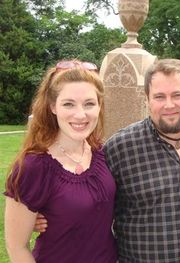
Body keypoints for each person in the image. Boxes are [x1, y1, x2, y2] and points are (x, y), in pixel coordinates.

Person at [103, 58, 180, 262]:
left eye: (177, 95)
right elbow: (90, 205)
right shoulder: (119, 148)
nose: (169, 105)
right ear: (147, 99)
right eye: (159, 96)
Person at [4, 60, 118, 262]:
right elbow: (17, 247)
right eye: (68, 104)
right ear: (52, 107)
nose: (80, 114)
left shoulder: (103, 153)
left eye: (89, 104)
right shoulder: (34, 167)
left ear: (100, 106)